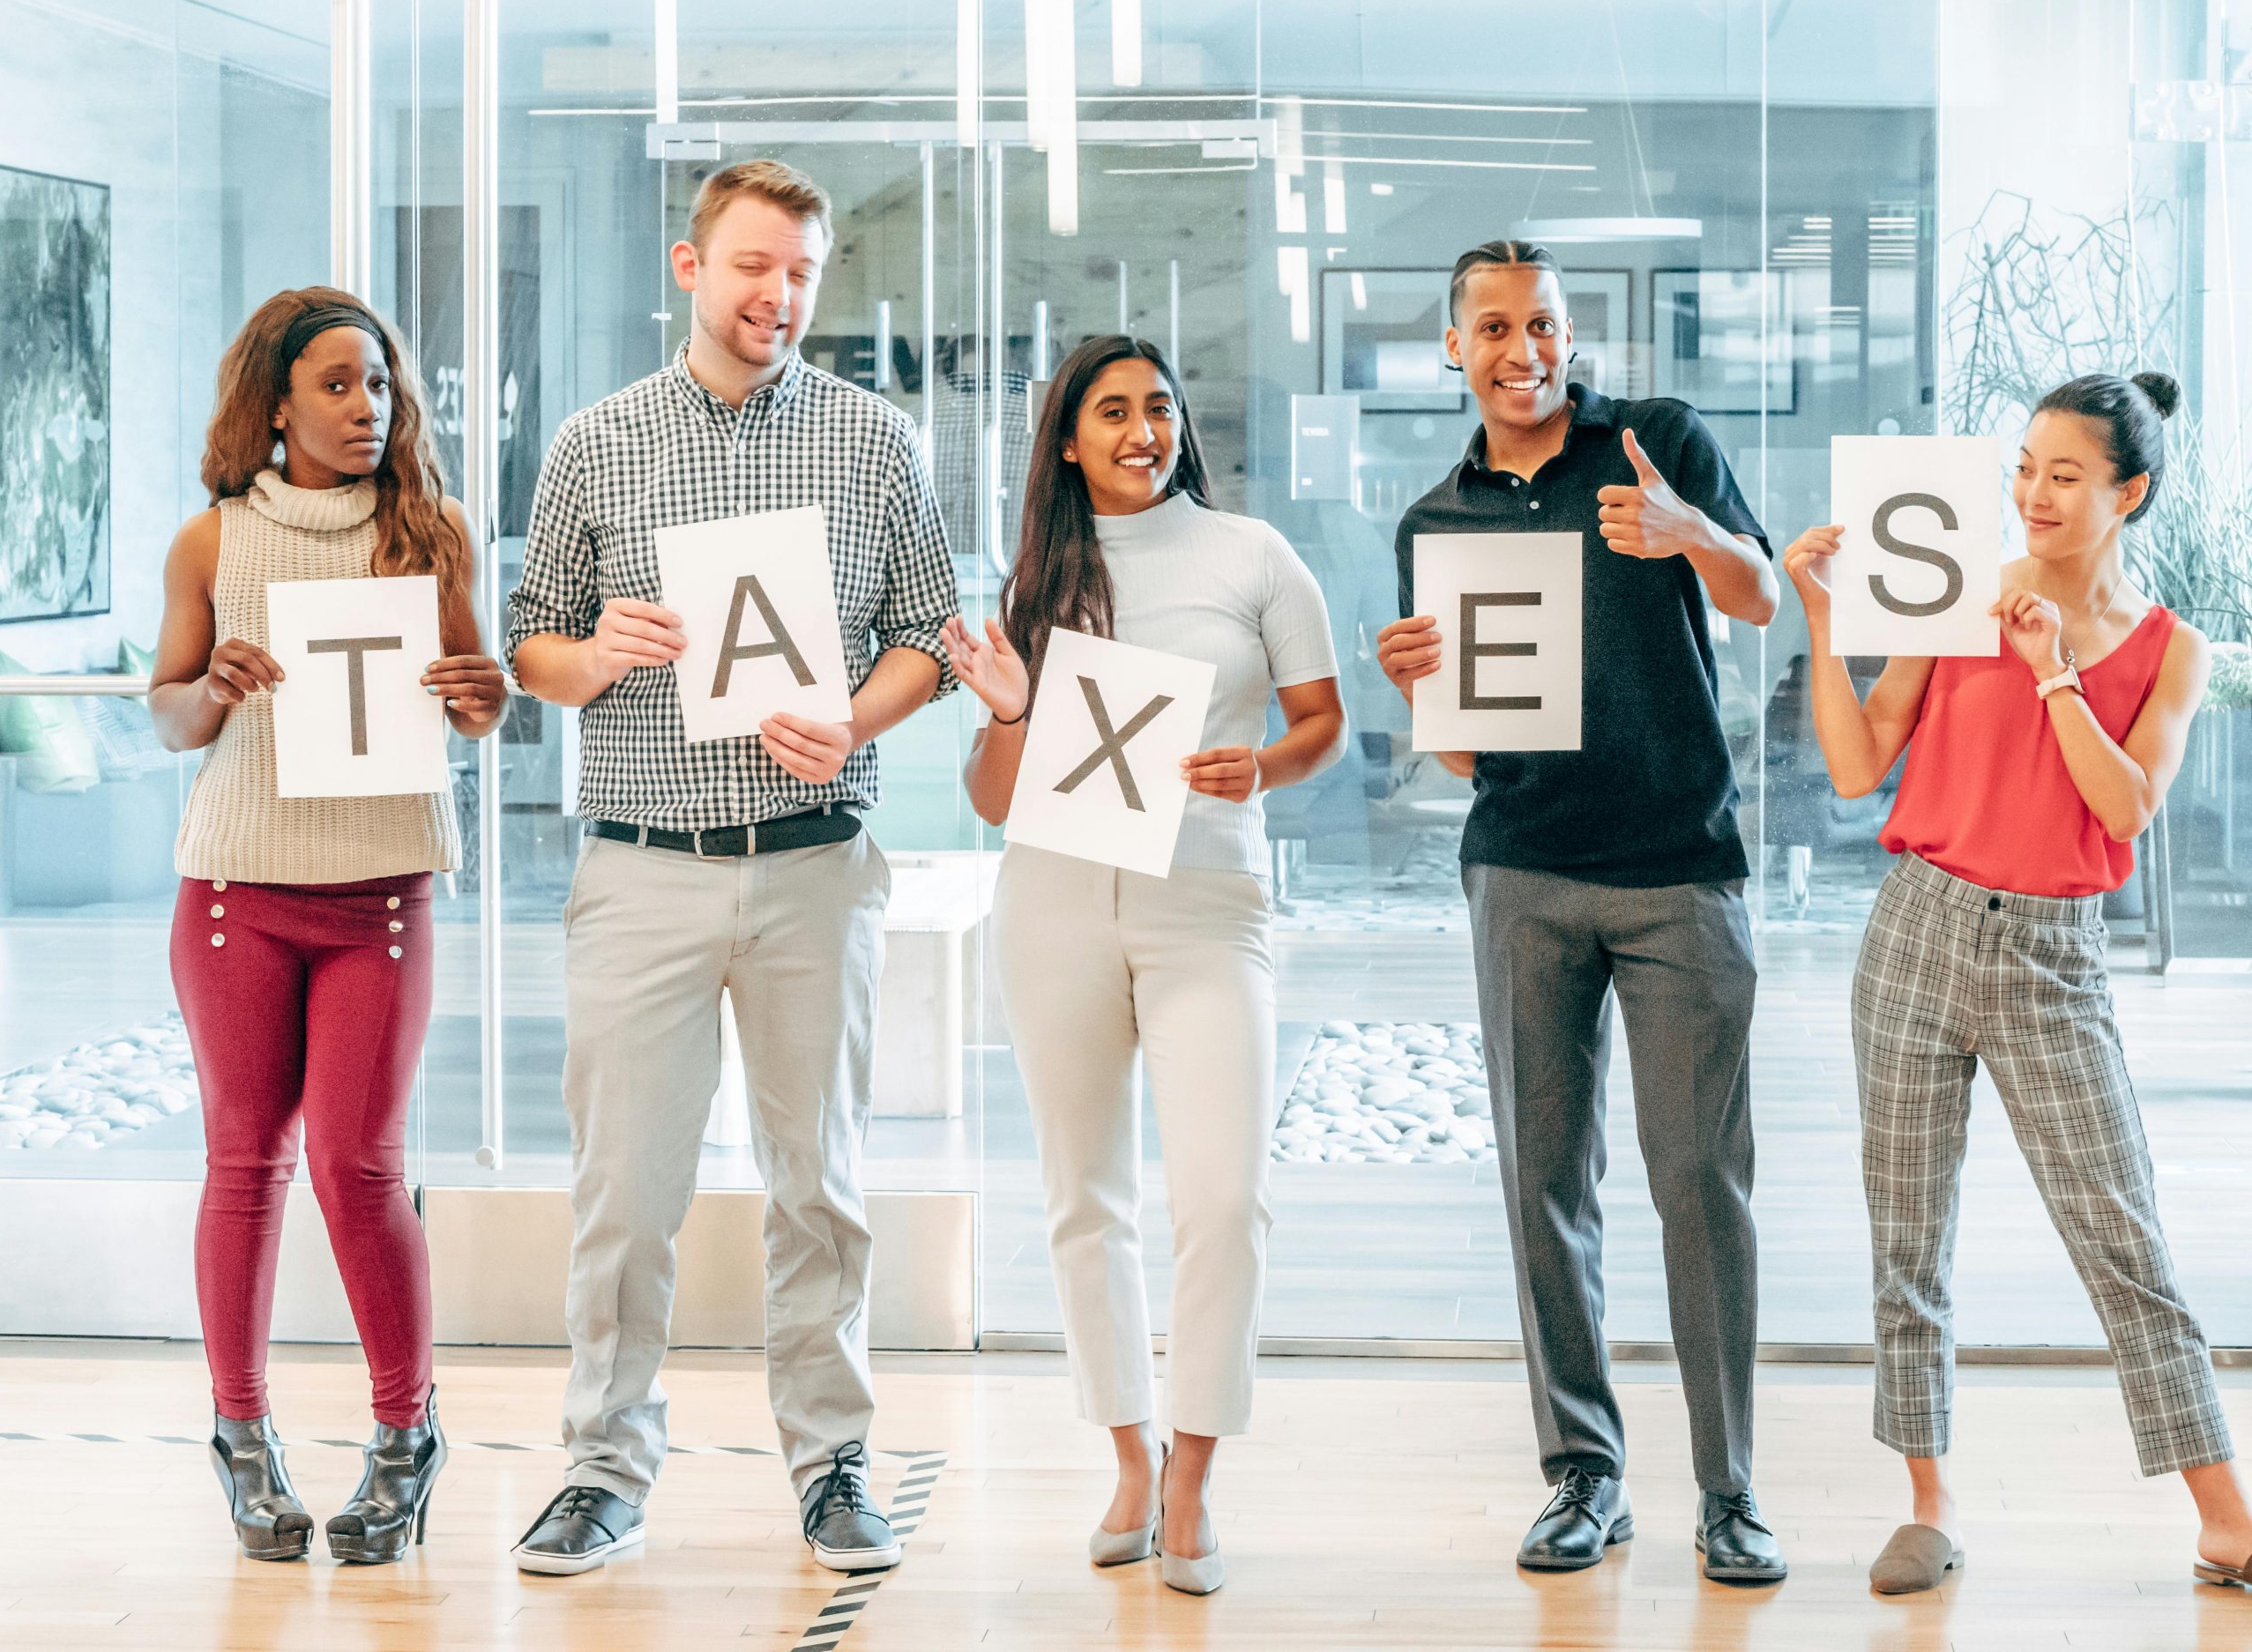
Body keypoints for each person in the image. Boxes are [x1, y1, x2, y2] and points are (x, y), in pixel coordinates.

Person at [504, 160, 960, 1576]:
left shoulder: (876, 441)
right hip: (640, 867)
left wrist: (855, 716)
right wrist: (598, 657)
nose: (779, 295)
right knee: (624, 1190)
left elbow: (935, 635)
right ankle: (603, 1466)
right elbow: (531, 642)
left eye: (803, 274)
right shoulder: (597, 440)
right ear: (692, 268)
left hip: (816, 865)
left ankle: (833, 1462)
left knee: (817, 1182)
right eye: (754, 265)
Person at [1783, 371, 2252, 1596]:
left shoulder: (2172, 651)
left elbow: (2128, 808)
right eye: (2025, 468)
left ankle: (2225, 1516)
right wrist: (1826, 621)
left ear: (2128, 492)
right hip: (1918, 932)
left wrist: (2053, 674)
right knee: (1909, 1240)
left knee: (2124, 1237)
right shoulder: (1954, 595)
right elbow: (1854, 763)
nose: (2033, 494)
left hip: (2055, 955)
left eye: (2065, 474)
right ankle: (1928, 1504)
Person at [1376, 241, 1787, 1582]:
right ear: (1456, 348)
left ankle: (1728, 1490)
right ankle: (1582, 1474)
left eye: (1542, 324)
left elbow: (1766, 595)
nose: (1524, 349)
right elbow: (1461, 753)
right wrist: (1418, 692)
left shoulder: (1656, 442)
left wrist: (1693, 533)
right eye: (1493, 328)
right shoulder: (1435, 522)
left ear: (1569, 333)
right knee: (1545, 1182)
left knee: (1698, 1185)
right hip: (1525, 872)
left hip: (1681, 867)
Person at [943, 335, 1345, 1596]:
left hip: (1210, 900)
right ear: (1066, 438)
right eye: (1110, 411)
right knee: (1084, 1196)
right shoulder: (1039, 582)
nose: (1141, 430)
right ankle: (1128, 1453)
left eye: (1159, 407)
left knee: (1223, 1200)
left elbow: (1322, 720)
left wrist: (1264, 767)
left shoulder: (1254, 556)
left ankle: (1194, 1477)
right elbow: (995, 800)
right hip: (1057, 896)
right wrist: (1008, 709)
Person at [149, 286, 506, 1562]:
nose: (370, 407)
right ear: (279, 403)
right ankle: (241, 1438)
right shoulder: (214, 541)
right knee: (246, 1162)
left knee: (360, 1166)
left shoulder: (434, 532)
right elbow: (169, 716)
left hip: (383, 896)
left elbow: (477, 704)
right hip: (239, 892)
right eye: (340, 385)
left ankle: (403, 1443)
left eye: (382, 385)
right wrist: (213, 685)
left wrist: (486, 690)